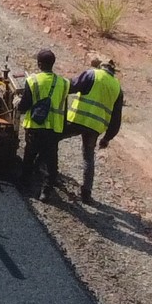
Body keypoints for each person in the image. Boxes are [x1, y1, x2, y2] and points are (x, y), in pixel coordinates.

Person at [65, 55, 125, 204]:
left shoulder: (92, 74)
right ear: (113, 71)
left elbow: (71, 86)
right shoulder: (117, 87)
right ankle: (86, 194)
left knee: (53, 138)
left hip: (78, 119)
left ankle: (42, 168)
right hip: (95, 127)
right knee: (88, 158)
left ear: (101, 67)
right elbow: (116, 118)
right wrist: (107, 138)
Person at [17, 48, 69, 196]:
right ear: (53, 63)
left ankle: (24, 182)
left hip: (35, 126)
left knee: (30, 155)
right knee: (51, 159)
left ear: (39, 64)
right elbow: (63, 106)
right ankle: (47, 190)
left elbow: (25, 104)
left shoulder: (33, 80)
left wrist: (17, 104)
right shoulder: (64, 83)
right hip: (54, 128)